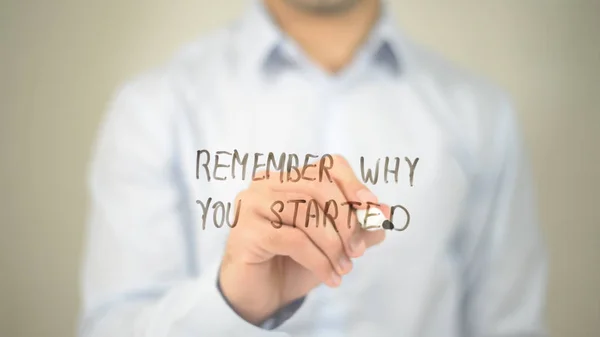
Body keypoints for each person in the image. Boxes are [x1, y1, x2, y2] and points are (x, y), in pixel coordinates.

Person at [78, 0, 548, 336]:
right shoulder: (153, 108)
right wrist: (233, 305)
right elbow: (111, 328)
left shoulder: (482, 115)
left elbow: (509, 326)